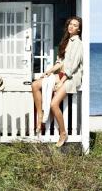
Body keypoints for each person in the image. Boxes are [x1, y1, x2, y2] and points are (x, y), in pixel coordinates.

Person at [31, 16, 83, 147]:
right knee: (35, 85)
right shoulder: (66, 41)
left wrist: (61, 81)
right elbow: (60, 62)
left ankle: (63, 133)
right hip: (61, 74)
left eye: (75, 25)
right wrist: (49, 71)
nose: (72, 26)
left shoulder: (78, 43)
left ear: (79, 29)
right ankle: (40, 114)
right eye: (70, 24)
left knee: (54, 104)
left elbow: (72, 67)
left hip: (71, 77)